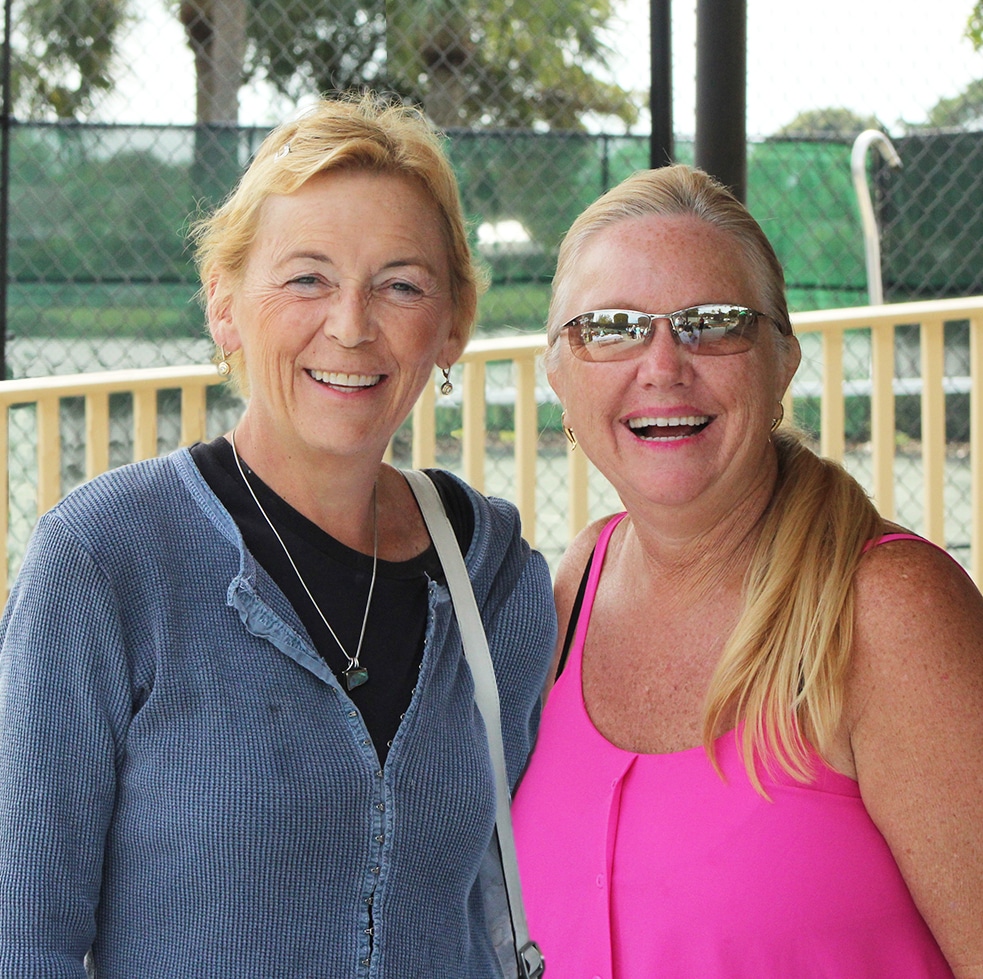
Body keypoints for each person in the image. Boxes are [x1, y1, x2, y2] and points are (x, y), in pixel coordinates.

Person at [0, 93, 555, 978]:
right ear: (224, 306)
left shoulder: (499, 581)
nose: (350, 324)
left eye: (401, 284)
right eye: (306, 278)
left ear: (451, 324)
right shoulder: (104, 560)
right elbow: (22, 940)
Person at [511, 164, 983, 978]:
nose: (661, 364)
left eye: (712, 322)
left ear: (781, 360)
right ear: (558, 373)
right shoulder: (579, 580)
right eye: (611, 327)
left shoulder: (885, 611)